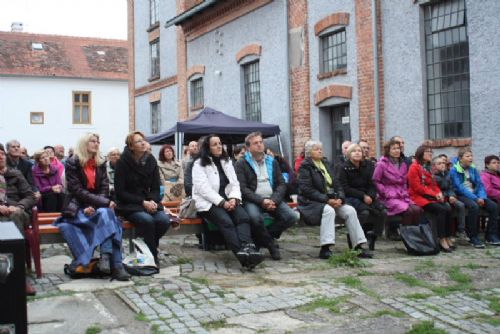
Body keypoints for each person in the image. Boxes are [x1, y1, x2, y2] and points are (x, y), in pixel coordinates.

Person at [55, 133, 130, 281]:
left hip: (97, 207)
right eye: (93, 141)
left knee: (106, 214)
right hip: (77, 207)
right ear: (84, 144)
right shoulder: (72, 162)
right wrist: (91, 206)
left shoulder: (100, 162)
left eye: (98, 141)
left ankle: (106, 258)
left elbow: (103, 188)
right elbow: (77, 191)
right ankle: (116, 264)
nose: (96, 144)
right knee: (110, 217)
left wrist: (95, 206)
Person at [192, 134, 263, 269]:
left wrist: (234, 198)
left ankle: (248, 248)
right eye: (215, 144)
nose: (219, 146)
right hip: (208, 203)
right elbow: (203, 189)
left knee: (243, 217)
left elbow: (235, 183)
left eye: (220, 143)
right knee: (226, 222)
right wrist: (222, 202)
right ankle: (242, 255)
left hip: (229, 200)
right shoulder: (199, 164)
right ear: (208, 148)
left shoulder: (227, 161)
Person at [297, 140, 372, 259]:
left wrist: (341, 198)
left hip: (332, 199)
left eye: (321, 148)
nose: (320, 151)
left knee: (350, 211)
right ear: (309, 152)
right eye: (317, 149)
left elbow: (337, 184)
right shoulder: (305, 167)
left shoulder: (326, 163)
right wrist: (327, 200)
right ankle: (325, 248)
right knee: (329, 211)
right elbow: (307, 190)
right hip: (312, 202)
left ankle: (357, 246)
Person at [235, 132, 297, 260]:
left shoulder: (272, 161)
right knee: (255, 218)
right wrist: (262, 201)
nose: (259, 145)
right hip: (253, 200)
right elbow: (243, 188)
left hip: (273, 198)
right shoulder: (242, 163)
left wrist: (273, 199)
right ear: (248, 148)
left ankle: (261, 239)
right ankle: (271, 244)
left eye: (261, 142)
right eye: (255, 143)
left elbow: (281, 184)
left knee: (291, 217)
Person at [114, 132, 171, 265]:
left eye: (143, 140)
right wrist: (142, 202)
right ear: (131, 146)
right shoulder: (122, 162)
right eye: (138, 141)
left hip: (149, 202)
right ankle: (152, 257)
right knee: (147, 221)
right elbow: (120, 192)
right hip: (130, 204)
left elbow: (156, 187)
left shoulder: (151, 160)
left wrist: (152, 200)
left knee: (164, 221)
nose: (143, 143)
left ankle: (144, 247)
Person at [0, 145, 38, 295]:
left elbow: (30, 196)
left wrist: (19, 206)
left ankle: (20, 278)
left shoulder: (15, 174)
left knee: (11, 220)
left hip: (17, 212)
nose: (1, 157)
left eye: (2, 154)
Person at [337, 144, 386, 250]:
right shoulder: (343, 167)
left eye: (359, 150)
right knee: (364, 213)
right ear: (349, 154)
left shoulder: (368, 165)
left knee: (382, 211)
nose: (357, 153)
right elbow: (345, 188)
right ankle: (353, 238)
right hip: (352, 196)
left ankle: (373, 235)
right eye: (354, 151)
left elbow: (372, 184)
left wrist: (371, 196)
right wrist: (363, 196)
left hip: (368, 196)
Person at [372, 139, 423, 239]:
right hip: (388, 196)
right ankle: (407, 238)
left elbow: (404, 181)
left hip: (402, 194)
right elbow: (376, 180)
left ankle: (415, 237)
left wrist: (404, 191)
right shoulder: (381, 164)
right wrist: (385, 192)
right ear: (388, 150)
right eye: (394, 148)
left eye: (398, 148)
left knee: (417, 210)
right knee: (408, 211)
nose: (397, 151)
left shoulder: (403, 164)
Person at [450, 147, 500, 248]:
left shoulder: (473, 169)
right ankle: (473, 237)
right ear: (460, 158)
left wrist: (481, 196)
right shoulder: (454, 170)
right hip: (462, 195)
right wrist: (476, 198)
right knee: (474, 206)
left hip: (476, 194)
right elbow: (459, 188)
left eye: (471, 156)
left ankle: (490, 235)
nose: (471, 158)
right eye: (467, 156)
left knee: (494, 206)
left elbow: (480, 185)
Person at [408, 146, 454, 252]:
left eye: (431, 151)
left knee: (447, 207)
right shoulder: (414, 167)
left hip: (430, 196)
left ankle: (447, 236)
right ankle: (441, 239)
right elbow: (417, 187)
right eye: (427, 152)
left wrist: (439, 193)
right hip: (418, 197)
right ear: (420, 153)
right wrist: (434, 194)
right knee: (441, 209)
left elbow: (433, 184)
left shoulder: (427, 167)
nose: (430, 153)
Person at [432, 156, 467, 243]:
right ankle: (448, 234)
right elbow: (436, 190)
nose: (442, 165)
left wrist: (452, 195)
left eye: (443, 163)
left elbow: (451, 187)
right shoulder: (433, 177)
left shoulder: (448, 174)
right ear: (434, 166)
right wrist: (447, 196)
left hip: (449, 196)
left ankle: (461, 231)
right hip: (440, 198)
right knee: (448, 208)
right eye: (439, 164)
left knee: (461, 205)